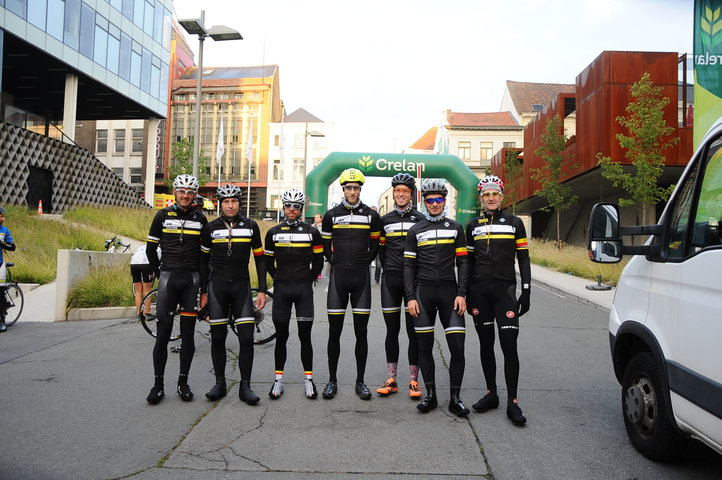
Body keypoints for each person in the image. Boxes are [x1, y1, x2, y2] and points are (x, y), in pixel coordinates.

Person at [466, 175, 530, 426]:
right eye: (486, 195)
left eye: (495, 194)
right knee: (485, 344)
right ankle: (492, 393)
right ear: (481, 198)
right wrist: (468, 291)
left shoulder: (515, 223)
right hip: (480, 292)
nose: (491, 198)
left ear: (502, 197)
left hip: (505, 292)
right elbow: (468, 262)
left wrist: (526, 289)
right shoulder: (472, 225)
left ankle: (512, 402)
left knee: (509, 345)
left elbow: (523, 258)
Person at [404, 179, 470, 416]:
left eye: (438, 200)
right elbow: (408, 267)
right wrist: (410, 297)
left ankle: (455, 398)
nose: (434, 204)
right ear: (424, 201)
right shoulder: (415, 230)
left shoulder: (456, 228)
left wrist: (462, 293)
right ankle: (431, 396)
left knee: (457, 348)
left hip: (449, 293)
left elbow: (463, 262)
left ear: (444, 201)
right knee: (424, 346)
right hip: (423, 292)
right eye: (429, 200)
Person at [199, 184, 267, 405]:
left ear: (239, 203)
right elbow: (202, 262)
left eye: (234, 201)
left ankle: (245, 386)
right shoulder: (210, 228)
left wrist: (263, 289)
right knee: (218, 338)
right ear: (220, 204)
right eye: (226, 202)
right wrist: (203, 293)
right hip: (217, 287)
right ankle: (220, 383)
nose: (230, 205)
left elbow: (260, 258)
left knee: (246, 339)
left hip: (241, 287)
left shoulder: (251, 226)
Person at [144, 174, 208, 405]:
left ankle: (183, 383)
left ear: (194, 195)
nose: (185, 195)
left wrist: (204, 288)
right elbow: (151, 250)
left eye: (190, 192)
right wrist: (160, 272)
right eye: (182, 191)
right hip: (168, 279)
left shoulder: (201, 219)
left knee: (189, 336)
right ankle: (158, 385)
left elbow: (204, 257)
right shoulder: (162, 215)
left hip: (191, 280)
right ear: (175, 192)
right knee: (163, 335)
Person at [320, 168, 382, 400]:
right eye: (349, 188)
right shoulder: (331, 215)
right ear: (343, 189)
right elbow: (326, 245)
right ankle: (332, 381)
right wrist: (333, 260)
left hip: (361, 279)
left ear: (360, 189)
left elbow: (376, 244)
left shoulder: (371, 216)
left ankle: (360, 382)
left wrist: (364, 261)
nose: (352, 191)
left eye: (356, 188)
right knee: (333, 333)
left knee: (361, 333)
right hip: (338, 278)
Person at [264, 189, 324, 399]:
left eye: (296, 206)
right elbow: (268, 261)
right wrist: (277, 277)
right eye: (288, 205)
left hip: (303, 290)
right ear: (283, 206)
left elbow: (318, 261)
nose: (292, 209)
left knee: (304, 336)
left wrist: (308, 278)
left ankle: (308, 379)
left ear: (301, 209)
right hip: (281, 289)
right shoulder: (273, 232)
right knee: (282, 336)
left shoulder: (311, 232)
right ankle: (278, 380)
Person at [376, 173, 423, 398]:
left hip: (414, 282)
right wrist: (391, 269)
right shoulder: (385, 220)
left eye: (405, 190)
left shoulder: (421, 219)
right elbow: (381, 250)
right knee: (391, 330)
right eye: (397, 190)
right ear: (393, 193)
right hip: (391, 280)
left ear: (411, 193)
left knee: (413, 332)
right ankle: (392, 378)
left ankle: (414, 381)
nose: (401, 194)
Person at [0, 206, 17, 333]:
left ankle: (1, 320)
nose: (3, 219)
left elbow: (12, 247)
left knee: (0, 292)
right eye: (1, 216)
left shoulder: (4, 230)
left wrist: (2, 245)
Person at [130, 245, 158, 319]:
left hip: (133, 264)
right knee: (147, 290)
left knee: (138, 291)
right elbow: (158, 263)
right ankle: (147, 314)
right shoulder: (157, 248)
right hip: (145, 263)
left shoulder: (141, 247)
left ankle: (139, 315)